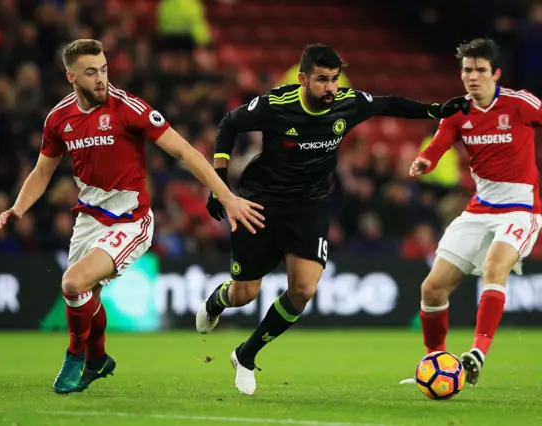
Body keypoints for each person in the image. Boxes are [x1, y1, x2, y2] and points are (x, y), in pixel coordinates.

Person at [0, 39, 265, 395]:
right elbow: (43, 171)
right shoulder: (59, 118)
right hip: (88, 219)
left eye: (104, 69)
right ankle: (98, 358)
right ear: (71, 76)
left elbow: (184, 151)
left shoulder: (128, 108)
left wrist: (226, 196)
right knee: (85, 295)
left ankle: (75, 356)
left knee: (73, 284)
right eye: (91, 72)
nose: (101, 78)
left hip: (130, 219)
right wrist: (19, 207)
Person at [197, 43, 471, 395]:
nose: (330, 87)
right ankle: (218, 300)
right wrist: (220, 184)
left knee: (304, 289)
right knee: (244, 294)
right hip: (260, 206)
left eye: (334, 79)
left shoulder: (347, 103)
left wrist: (435, 110)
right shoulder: (276, 105)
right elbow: (229, 125)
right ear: (302, 79)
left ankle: (246, 355)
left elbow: (388, 103)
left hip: (309, 208)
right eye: (322, 79)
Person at [406, 38, 542, 386]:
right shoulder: (458, 110)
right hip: (479, 207)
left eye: (480, 70)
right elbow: (440, 143)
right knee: (432, 289)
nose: (473, 77)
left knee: (493, 267)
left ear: (495, 73)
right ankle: (435, 361)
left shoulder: (519, 103)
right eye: (467, 70)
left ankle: (477, 353)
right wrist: (425, 160)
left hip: (520, 208)